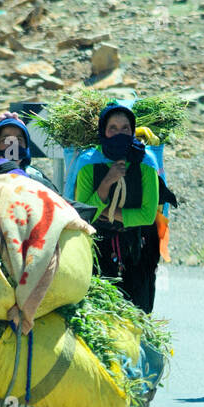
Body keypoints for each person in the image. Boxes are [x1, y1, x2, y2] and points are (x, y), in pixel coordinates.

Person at [68, 103, 177, 313]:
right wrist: (106, 183)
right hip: (97, 249)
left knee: (136, 312)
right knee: (99, 311)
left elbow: (146, 216)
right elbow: (83, 214)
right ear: (103, 132)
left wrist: (108, 212)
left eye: (125, 128)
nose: (119, 133)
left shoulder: (146, 162)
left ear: (132, 130)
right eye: (113, 129)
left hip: (137, 249)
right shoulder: (89, 163)